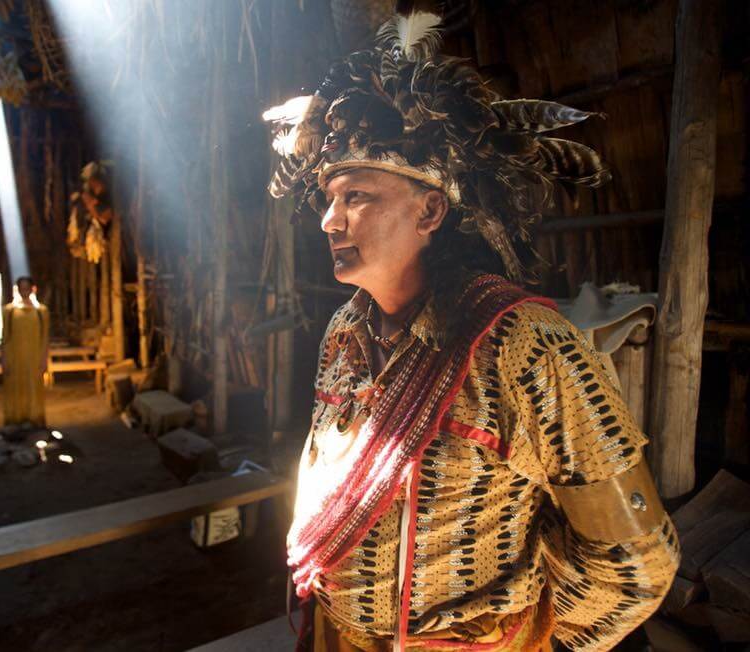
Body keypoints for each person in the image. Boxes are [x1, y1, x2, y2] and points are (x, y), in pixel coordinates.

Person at [264, 5, 679, 651]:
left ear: (431, 210)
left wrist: (518, 639)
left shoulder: (526, 347)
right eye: (327, 200)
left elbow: (634, 564)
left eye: (358, 198)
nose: (329, 222)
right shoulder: (345, 331)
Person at [2, 276, 49, 430]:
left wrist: (44, 359)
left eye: (26, 287)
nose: (24, 291)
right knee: (16, 386)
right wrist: (4, 359)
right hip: (15, 357)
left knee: (34, 386)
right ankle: (16, 418)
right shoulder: (9, 311)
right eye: (21, 287)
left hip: (34, 356)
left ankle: (35, 418)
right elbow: (5, 337)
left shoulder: (41, 311)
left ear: (32, 289)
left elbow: (45, 337)